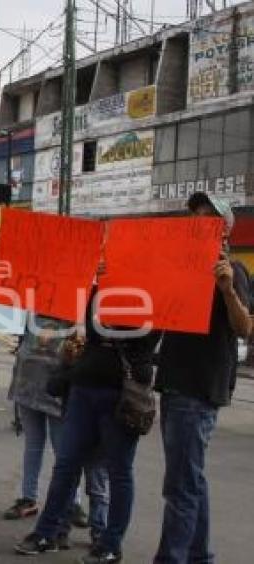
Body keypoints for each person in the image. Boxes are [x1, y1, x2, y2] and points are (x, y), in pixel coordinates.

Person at [15, 289, 160, 563]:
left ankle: (110, 544)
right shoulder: (101, 287)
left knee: (118, 472)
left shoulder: (153, 290)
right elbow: (94, 330)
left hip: (123, 394)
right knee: (66, 464)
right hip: (85, 387)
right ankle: (47, 532)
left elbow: (147, 339)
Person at [153, 193, 252, 564]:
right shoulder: (182, 269)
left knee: (180, 485)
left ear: (224, 229)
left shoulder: (234, 271)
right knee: (190, 479)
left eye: (208, 217)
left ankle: (173, 558)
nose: (198, 221)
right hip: (175, 383)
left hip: (198, 389)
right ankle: (199, 555)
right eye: (194, 215)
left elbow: (245, 329)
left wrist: (226, 290)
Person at [5, 314, 109, 549]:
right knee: (34, 445)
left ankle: (73, 504)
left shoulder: (79, 308)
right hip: (28, 381)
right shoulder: (33, 307)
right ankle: (28, 497)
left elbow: (81, 346)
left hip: (58, 388)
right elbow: (23, 339)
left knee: (65, 454)